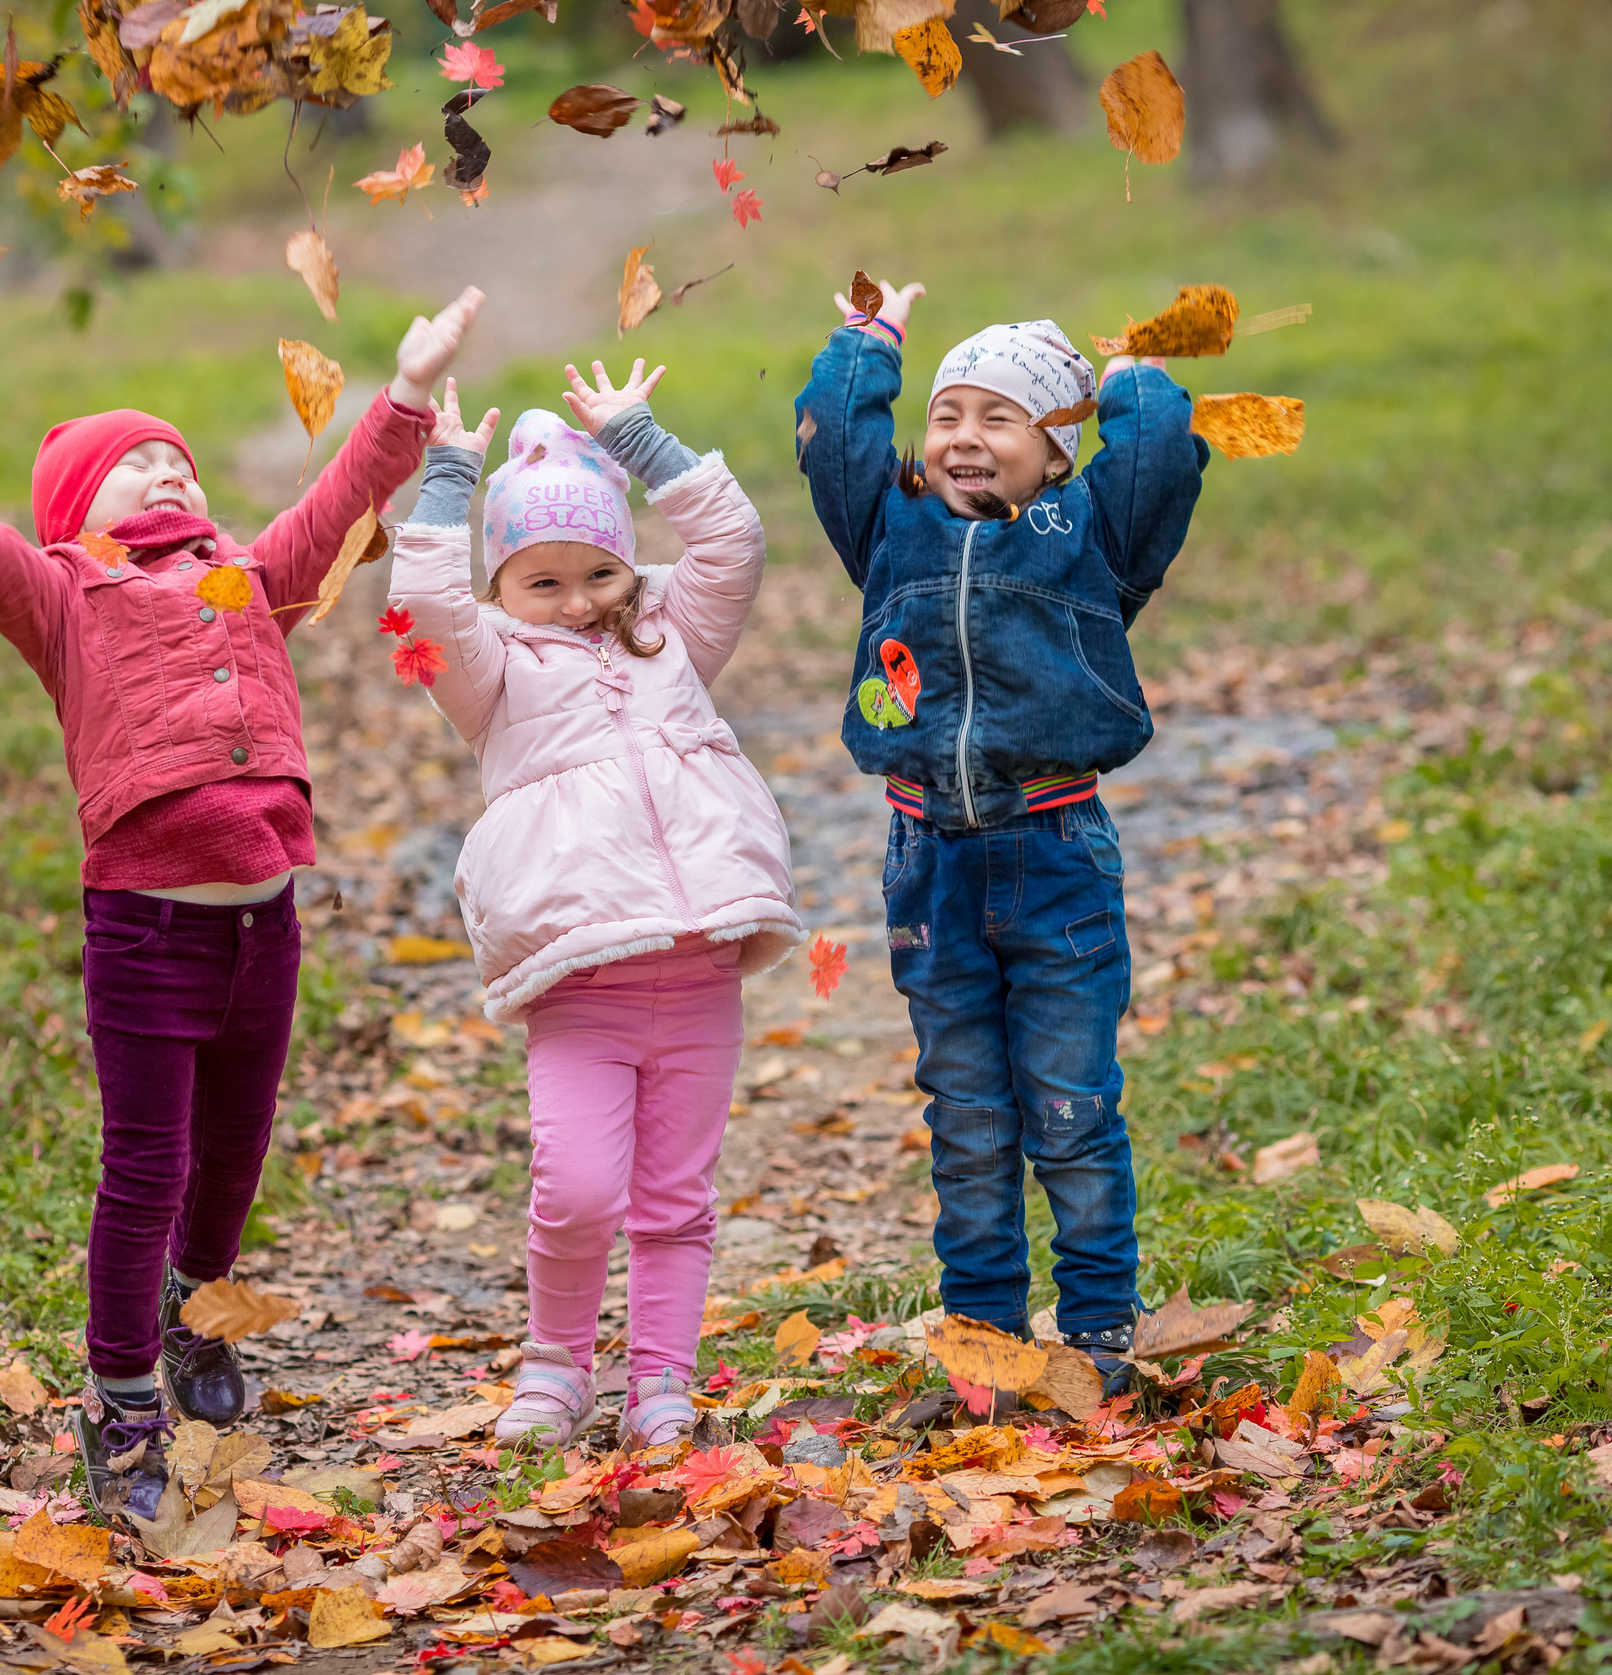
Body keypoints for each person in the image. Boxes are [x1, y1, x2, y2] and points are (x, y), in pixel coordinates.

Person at [0, 288, 488, 1517]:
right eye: (132, 467)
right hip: (148, 930)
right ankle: (121, 1398)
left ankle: (197, 1313)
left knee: (237, 1151)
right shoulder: (63, 602)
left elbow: (337, 507)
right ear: (71, 514)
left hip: (267, 923)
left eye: (176, 465)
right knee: (145, 1165)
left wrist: (408, 391)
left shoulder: (251, 580)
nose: (165, 476)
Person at [792, 279, 1207, 1393]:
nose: (965, 438)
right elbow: (831, 440)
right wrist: (866, 346)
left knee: (1070, 1107)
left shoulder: (1090, 543)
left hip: (1056, 851)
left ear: (1056, 452)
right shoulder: (891, 532)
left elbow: (1161, 454)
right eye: (947, 416)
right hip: (928, 862)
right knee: (968, 1112)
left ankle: (1099, 1328)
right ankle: (981, 1334)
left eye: (1000, 418)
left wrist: (1130, 378)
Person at [385, 359, 801, 1451]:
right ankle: (554, 1367)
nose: (578, 604)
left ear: (629, 565)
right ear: (502, 589)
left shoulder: (673, 637)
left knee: (675, 1199)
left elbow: (733, 546)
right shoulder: (487, 674)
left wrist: (642, 440)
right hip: (580, 979)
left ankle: (660, 1379)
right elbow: (420, 600)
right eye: (544, 581)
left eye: (599, 574)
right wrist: (448, 476)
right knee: (574, 1191)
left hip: (699, 966)